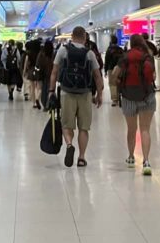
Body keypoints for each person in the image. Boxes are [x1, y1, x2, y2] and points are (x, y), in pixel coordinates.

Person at [49, 26, 104, 168]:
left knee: (67, 125)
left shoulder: (63, 50)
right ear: (85, 38)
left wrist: (51, 92)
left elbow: (54, 72)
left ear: (71, 36)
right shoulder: (89, 53)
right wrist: (99, 94)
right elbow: (98, 76)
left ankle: (69, 145)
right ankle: (81, 157)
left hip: (66, 92)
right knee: (83, 128)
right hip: (85, 93)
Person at [118, 33, 157, 176]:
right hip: (147, 97)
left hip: (128, 97)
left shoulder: (125, 57)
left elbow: (116, 73)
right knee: (145, 129)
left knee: (131, 129)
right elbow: (153, 76)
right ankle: (146, 161)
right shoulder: (148, 56)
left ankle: (130, 157)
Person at [103, 35, 125, 107]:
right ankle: (120, 95)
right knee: (119, 82)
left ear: (111, 41)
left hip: (111, 68)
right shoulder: (120, 49)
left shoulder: (109, 50)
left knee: (112, 84)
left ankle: (114, 99)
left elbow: (106, 61)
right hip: (120, 68)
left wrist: (105, 70)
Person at [24, 38, 44, 110]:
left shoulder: (29, 53)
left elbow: (26, 64)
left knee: (32, 88)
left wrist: (24, 72)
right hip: (39, 71)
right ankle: (37, 98)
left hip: (31, 71)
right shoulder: (41, 53)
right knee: (39, 87)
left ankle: (34, 103)